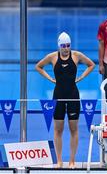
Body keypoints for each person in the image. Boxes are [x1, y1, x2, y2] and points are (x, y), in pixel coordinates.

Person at [35, 32, 95, 168]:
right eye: (63, 46)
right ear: (59, 46)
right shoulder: (52, 57)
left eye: (68, 45)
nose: (66, 48)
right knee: (58, 129)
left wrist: (81, 77)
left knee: (74, 129)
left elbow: (91, 65)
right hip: (58, 96)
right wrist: (50, 78)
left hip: (73, 95)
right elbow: (38, 66)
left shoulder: (76, 55)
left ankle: (72, 161)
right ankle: (59, 161)